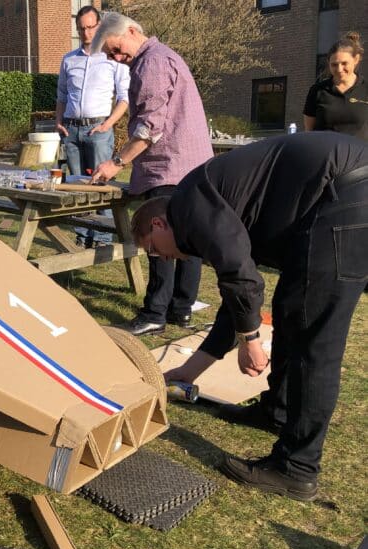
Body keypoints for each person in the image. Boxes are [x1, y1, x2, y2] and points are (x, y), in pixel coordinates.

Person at [132, 132, 367, 501]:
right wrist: (191, 371)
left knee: (314, 341)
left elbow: (241, 278)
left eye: (152, 248)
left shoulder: (189, 205)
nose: (160, 258)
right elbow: (237, 295)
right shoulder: (211, 203)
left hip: (346, 196)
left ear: (159, 224)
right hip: (335, 198)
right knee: (292, 310)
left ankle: (297, 468)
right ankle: (275, 412)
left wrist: (251, 341)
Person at [90, 12, 213, 335]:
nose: (117, 59)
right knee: (187, 239)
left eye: (117, 50)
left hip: (168, 167)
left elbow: (149, 128)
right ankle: (181, 309)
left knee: (159, 240)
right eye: (111, 56)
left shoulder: (152, 62)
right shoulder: (164, 56)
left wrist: (116, 162)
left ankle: (155, 313)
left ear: (132, 31)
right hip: (191, 165)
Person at [55, 6, 129, 247]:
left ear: (99, 26)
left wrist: (108, 124)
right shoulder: (69, 59)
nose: (86, 33)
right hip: (71, 130)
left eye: (90, 27)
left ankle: (102, 236)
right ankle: (82, 234)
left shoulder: (112, 58)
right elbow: (62, 95)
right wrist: (59, 121)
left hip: (98, 129)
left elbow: (124, 97)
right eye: (81, 28)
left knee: (100, 184)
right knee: (77, 186)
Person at [303, 31, 367, 141]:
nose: (339, 69)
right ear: (328, 63)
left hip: (360, 152)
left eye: (344, 63)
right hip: (325, 151)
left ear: (356, 59)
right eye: (334, 65)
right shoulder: (317, 91)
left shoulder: (366, 89)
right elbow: (309, 131)